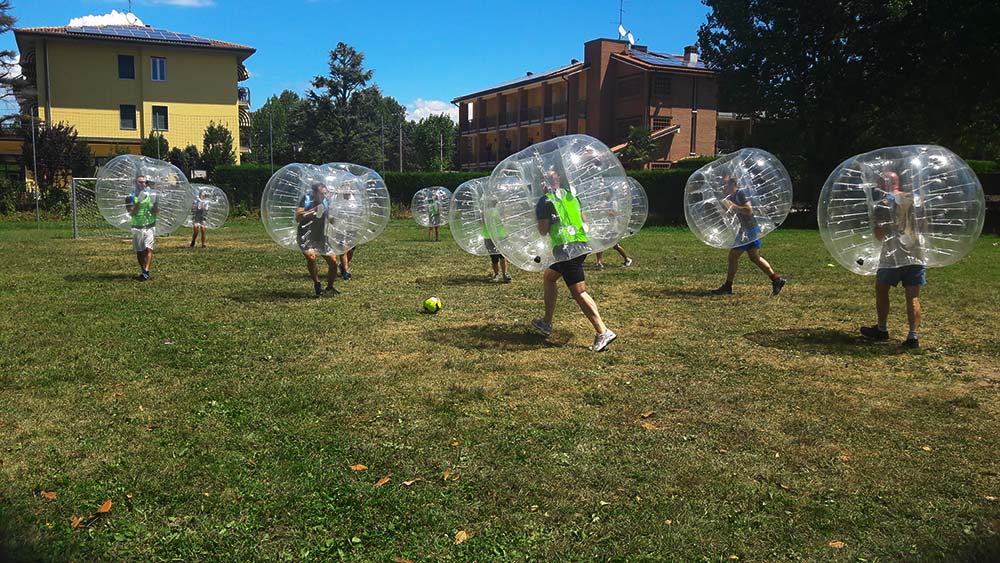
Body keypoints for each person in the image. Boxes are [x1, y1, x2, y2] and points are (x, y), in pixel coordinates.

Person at [531, 168, 616, 352]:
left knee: (579, 291)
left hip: (565, 249)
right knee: (549, 277)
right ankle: (546, 322)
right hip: (580, 243)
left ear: (543, 182)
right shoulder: (571, 196)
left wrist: (537, 218)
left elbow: (543, 231)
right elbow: (583, 219)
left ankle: (602, 331)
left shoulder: (545, 201)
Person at [860, 171, 923, 349]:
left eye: (879, 183)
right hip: (916, 251)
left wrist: (876, 224)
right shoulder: (915, 200)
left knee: (882, 289)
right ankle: (913, 336)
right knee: (913, 295)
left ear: (884, 184)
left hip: (893, 254)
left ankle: (882, 328)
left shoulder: (884, 204)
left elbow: (879, 236)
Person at [711, 175, 786, 296]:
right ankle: (776, 279)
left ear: (732, 185)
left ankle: (728, 286)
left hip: (748, 230)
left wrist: (731, 205)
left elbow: (748, 210)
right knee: (755, 258)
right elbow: (732, 213)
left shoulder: (741, 194)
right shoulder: (731, 196)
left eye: (725, 185)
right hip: (746, 230)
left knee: (733, 257)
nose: (723, 188)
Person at [296, 183, 339, 297]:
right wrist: (314, 210)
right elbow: (298, 217)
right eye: (321, 194)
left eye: (325, 193)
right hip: (305, 235)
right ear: (315, 193)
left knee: (334, 263)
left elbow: (330, 218)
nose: (324, 196)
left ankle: (330, 287)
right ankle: (317, 284)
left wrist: (333, 218)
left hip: (320, 236)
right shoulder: (306, 200)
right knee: (311, 258)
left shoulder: (326, 202)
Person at [126, 175, 158, 281]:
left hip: (149, 226)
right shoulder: (130, 196)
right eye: (140, 182)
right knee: (140, 251)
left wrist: (155, 203)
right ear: (136, 183)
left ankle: (146, 271)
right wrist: (139, 201)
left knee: (148, 249)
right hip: (137, 227)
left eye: (144, 182)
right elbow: (132, 213)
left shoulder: (150, 195)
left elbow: (156, 211)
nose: (143, 184)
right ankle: (143, 269)